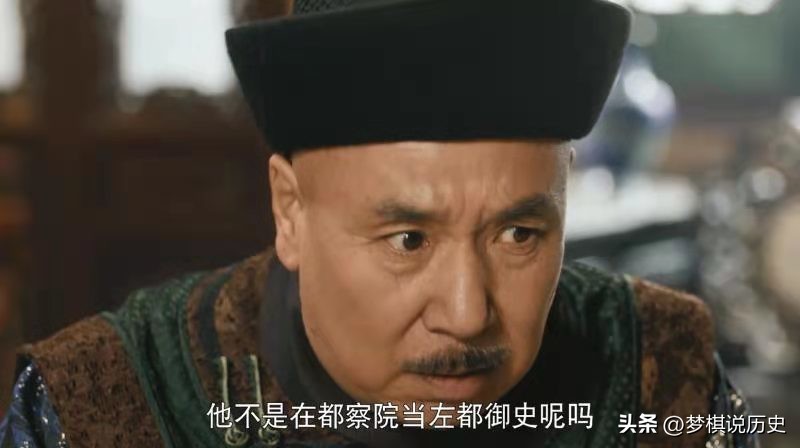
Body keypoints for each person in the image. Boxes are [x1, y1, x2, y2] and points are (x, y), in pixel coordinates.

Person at [1, 0, 758, 447]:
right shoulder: (107, 402)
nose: (467, 314)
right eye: (408, 240)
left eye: (518, 235)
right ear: (290, 211)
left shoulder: (663, 374)